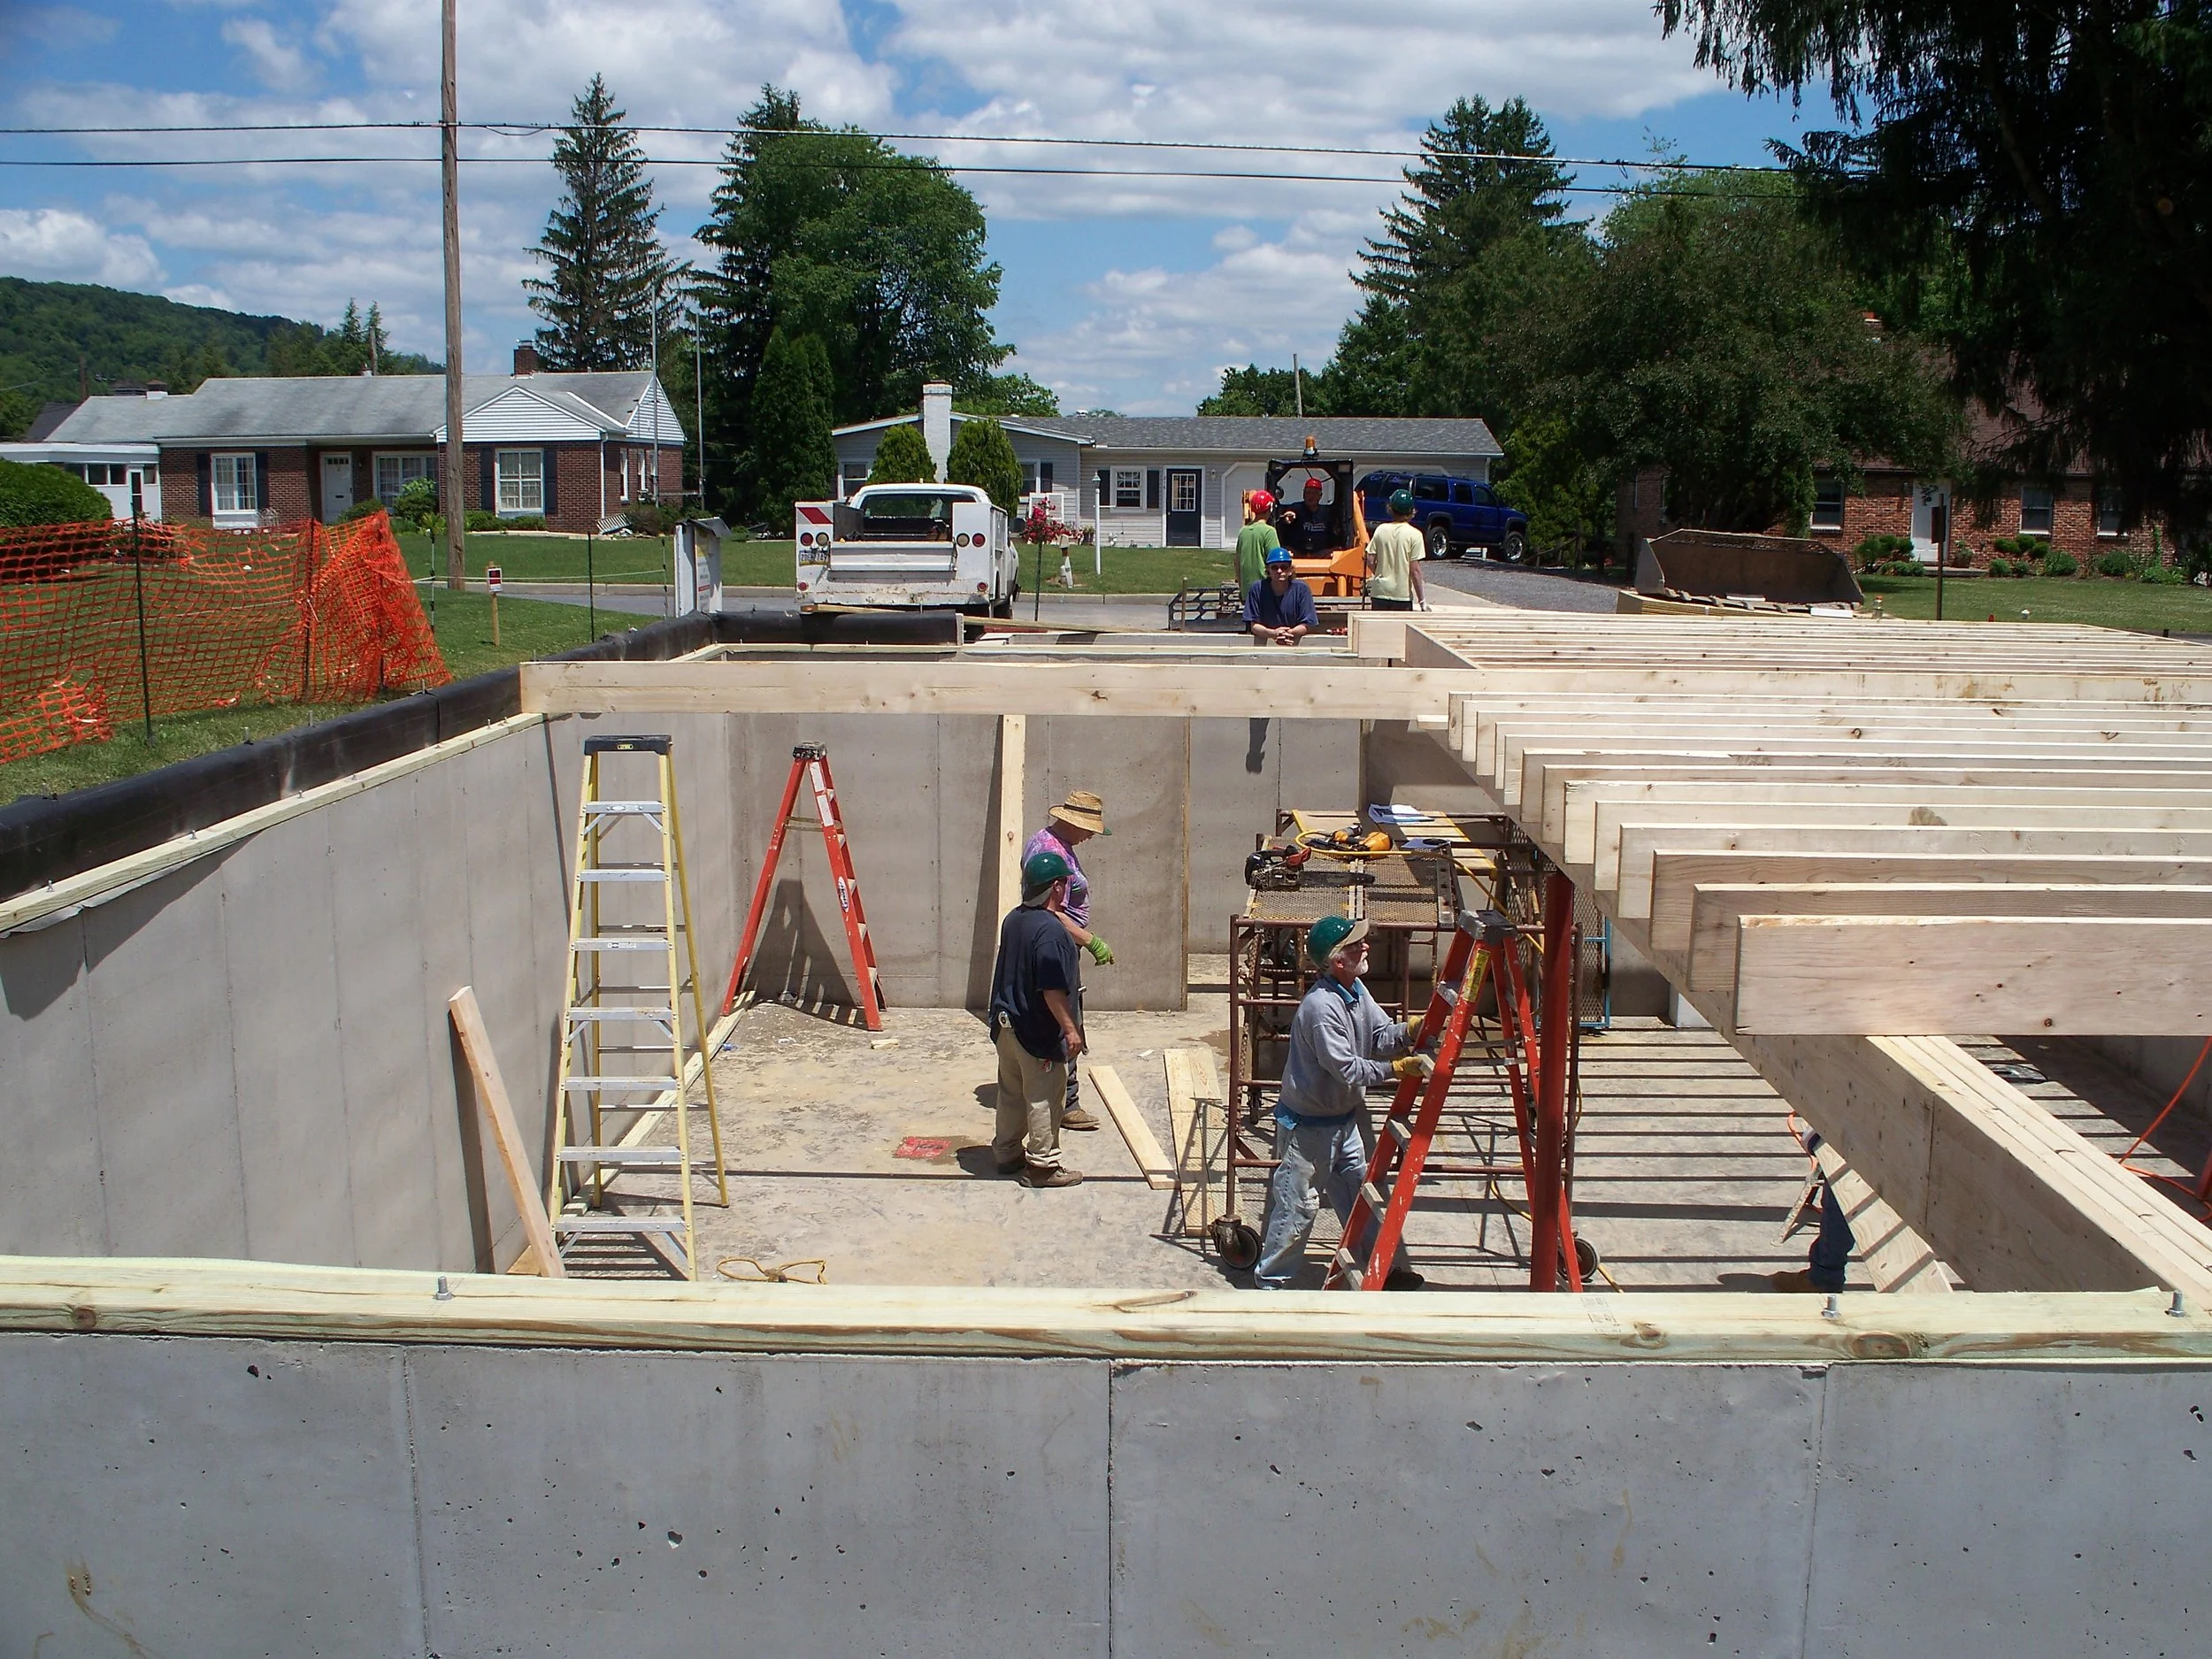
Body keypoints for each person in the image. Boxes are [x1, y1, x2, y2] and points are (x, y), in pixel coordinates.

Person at [1253, 915, 1429, 1290]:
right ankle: (1270, 1285)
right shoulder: (1321, 1009)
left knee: (1360, 1198)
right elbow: (1347, 1069)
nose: (1365, 947)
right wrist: (1395, 1069)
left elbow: (1380, 1034)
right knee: (1296, 1207)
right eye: (1355, 945)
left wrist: (1409, 1030)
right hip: (1309, 1128)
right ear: (1336, 960)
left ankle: (1380, 1273)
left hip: (1343, 1120)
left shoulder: (1356, 990)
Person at [987, 849, 1087, 1188]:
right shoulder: (1050, 931)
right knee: (1044, 1096)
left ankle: (1007, 1153)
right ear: (1057, 887)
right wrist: (1070, 1031)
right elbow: (1051, 989)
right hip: (1035, 1032)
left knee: (1011, 1093)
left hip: (1006, 1026)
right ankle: (1043, 1166)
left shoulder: (1013, 919)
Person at [1024, 789, 1115, 1133]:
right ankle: (1065, 1102)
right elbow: (1049, 908)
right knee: (1064, 1018)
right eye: (1088, 828)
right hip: (1056, 939)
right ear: (1071, 821)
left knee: (1065, 1014)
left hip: (1062, 938)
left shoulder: (1059, 846)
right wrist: (1089, 940)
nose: (1091, 835)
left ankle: (1061, 1096)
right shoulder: (1049, 851)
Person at [1364, 488, 1426, 613]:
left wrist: (1381, 573)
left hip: (1380, 593)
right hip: (1401, 595)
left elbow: (1370, 560)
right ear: (1411, 511)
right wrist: (1422, 601)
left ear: (1390, 509)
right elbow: (1415, 571)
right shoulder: (1415, 535)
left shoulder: (1381, 530)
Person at [1244, 546, 1319, 647]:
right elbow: (1253, 625)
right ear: (1268, 570)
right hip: (1264, 647)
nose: (1279, 571)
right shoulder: (1257, 588)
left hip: (1294, 645)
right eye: (1274, 567)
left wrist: (1289, 634)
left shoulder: (1301, 589)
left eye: (1284, 567)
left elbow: (1307, 624)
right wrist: (1273, 634)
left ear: (1290, 570)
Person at [1234, 490, 1280, 589]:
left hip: (1247, 591)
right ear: (1270, 508)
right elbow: (1276, 561)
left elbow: (1237, 562)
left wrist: (1242, 587)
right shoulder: (1269, 532)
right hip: (1265, 591)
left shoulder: (1243, 532)